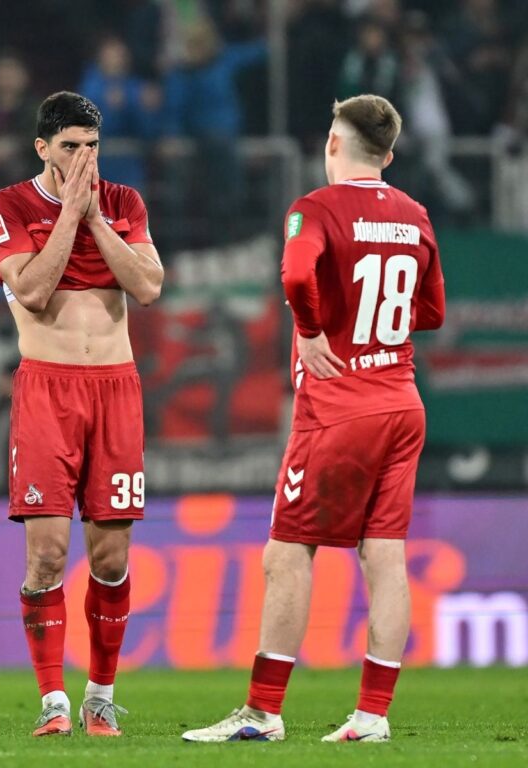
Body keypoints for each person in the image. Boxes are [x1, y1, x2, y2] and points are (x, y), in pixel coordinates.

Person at [180, 94, 446, 745]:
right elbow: (432, 312)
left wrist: (310, 330)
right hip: (402, 402)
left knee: (287, 554)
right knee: (384, 557)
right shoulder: (415, 216)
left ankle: (263, 712)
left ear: (333, 145)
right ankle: (372, 716)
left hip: (339, 406)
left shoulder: (316, 209)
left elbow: (298, 272)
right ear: (387, 154)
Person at [0, 91, 164, 737]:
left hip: (116, 388)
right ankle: (53, 700)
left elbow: (146, 286)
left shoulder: (125, 203)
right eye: (69, 147)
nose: (83, 158)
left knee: (111, 558)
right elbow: (30, 291)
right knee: (48, 556)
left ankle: (101, 696)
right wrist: (70, 215)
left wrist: (95, 220)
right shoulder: (7, 205)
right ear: (42, 148)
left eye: (92, 146)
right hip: (47, 390)